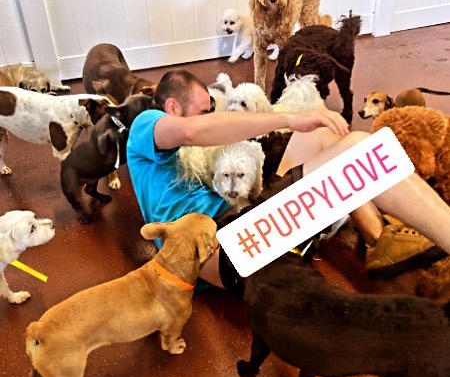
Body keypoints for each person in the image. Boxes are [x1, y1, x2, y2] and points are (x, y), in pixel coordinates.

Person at [127, 70, 449, 290]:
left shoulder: (167, 155)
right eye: (202, 112)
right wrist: (289, 117)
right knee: (361, 147)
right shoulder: (146, 123)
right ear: (171, 107)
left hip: (243, 227)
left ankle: (382, 242)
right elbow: (192, 131)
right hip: (225, 250)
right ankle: (409, 239)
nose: (208, 118)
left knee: (320, 135)